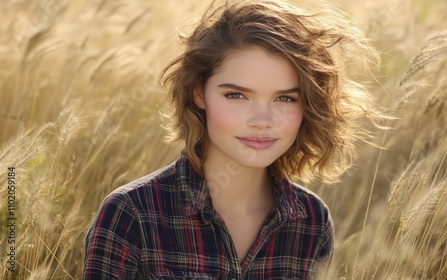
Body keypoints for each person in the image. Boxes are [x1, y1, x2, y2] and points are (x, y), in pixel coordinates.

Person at [83, 0, 382, 278]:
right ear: (199, 93)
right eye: (236, 95)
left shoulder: (312, 223)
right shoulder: (132, 214)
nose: (262, 121)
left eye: (285, 99)